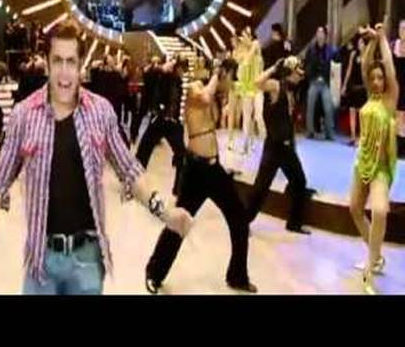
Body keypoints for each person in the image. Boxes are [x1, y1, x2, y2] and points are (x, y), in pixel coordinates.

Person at [0, 20, 192, 295]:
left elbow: (130, 171)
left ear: (81, 65)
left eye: (71, 62)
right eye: (57, 61)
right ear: (47, 63)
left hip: (87, 260)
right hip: (40, 260)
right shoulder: (23, 115)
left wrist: (165, 212)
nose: (64, 72)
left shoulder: (100, 112)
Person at [144, 58, 257, 294]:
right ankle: (154, 272)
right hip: (195, 170)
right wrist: (217, 73)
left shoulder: (213, 97)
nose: (231, 83)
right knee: (180, 221)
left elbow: (213, 115)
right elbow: (204, 98)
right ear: (223, 73)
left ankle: (237, 276)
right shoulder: (196, 88)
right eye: (231, 77)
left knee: (239, 219)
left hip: (214, 170)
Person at [349, 24, 398, 295]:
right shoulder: (370, 95)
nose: (378, 81)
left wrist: (381, 39)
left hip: (380, 167)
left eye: (381, 78)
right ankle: (376, 255)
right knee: (355, 209)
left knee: (379, 211)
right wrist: (369, 43)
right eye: (374, 78)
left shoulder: (390, 99)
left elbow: (388, 67)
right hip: (362, 162)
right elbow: (365, 64)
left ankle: (370, 265)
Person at [245, 56, 310, 234]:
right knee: (261, 188)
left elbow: (288, 121)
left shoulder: (293, 92)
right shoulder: (276, 86)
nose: (301, 76)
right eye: (298, 72)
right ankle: (242, 222)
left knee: (299, 181)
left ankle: (294, 223)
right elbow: (257, 83)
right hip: (274, 146)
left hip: (287, 148)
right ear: (290, 71)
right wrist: (274, 68)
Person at [136, 57, 186, 172]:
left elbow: (177, 102)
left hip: (171, 120)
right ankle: (136, 169)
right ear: (177, 68)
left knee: (180, 151)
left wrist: (176, 117)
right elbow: (149, 75)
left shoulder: (178, 82)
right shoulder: (164, 76)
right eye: (181, 69)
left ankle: (180, 172)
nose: (182, 72)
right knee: (146, 145)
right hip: (161, 117)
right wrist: (163, 68)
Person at [304, 26, 337, 140]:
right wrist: (309, 75)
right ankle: (310, 131)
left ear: (325, 36)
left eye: (322, 32)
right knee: (310, 106)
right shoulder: (311, 49)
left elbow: (335, 66)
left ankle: (329, 132)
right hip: (314, 80)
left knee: (328, 107)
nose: (319, 35)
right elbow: (306, 64)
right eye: (318, 32)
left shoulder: (331, 50)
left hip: (325, 82)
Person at [342, 34, 368, 146]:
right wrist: (344, 85)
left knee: (362, 113)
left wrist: (363, 59)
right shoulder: (353, 54)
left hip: (363, 86)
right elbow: (349, 70)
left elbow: (365, 74)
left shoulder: (368, 56)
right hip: (353, 85)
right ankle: (353, 136)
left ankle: (362, 137)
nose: (359, 45)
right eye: (359, 42)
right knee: (352, 110)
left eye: (362, 43)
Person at [391, 20, 405, 157]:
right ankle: (397, 147)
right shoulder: (393, 45)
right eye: (401, 28)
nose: (403, 31)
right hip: (396, 85)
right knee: (396, 116)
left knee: (403, 116)